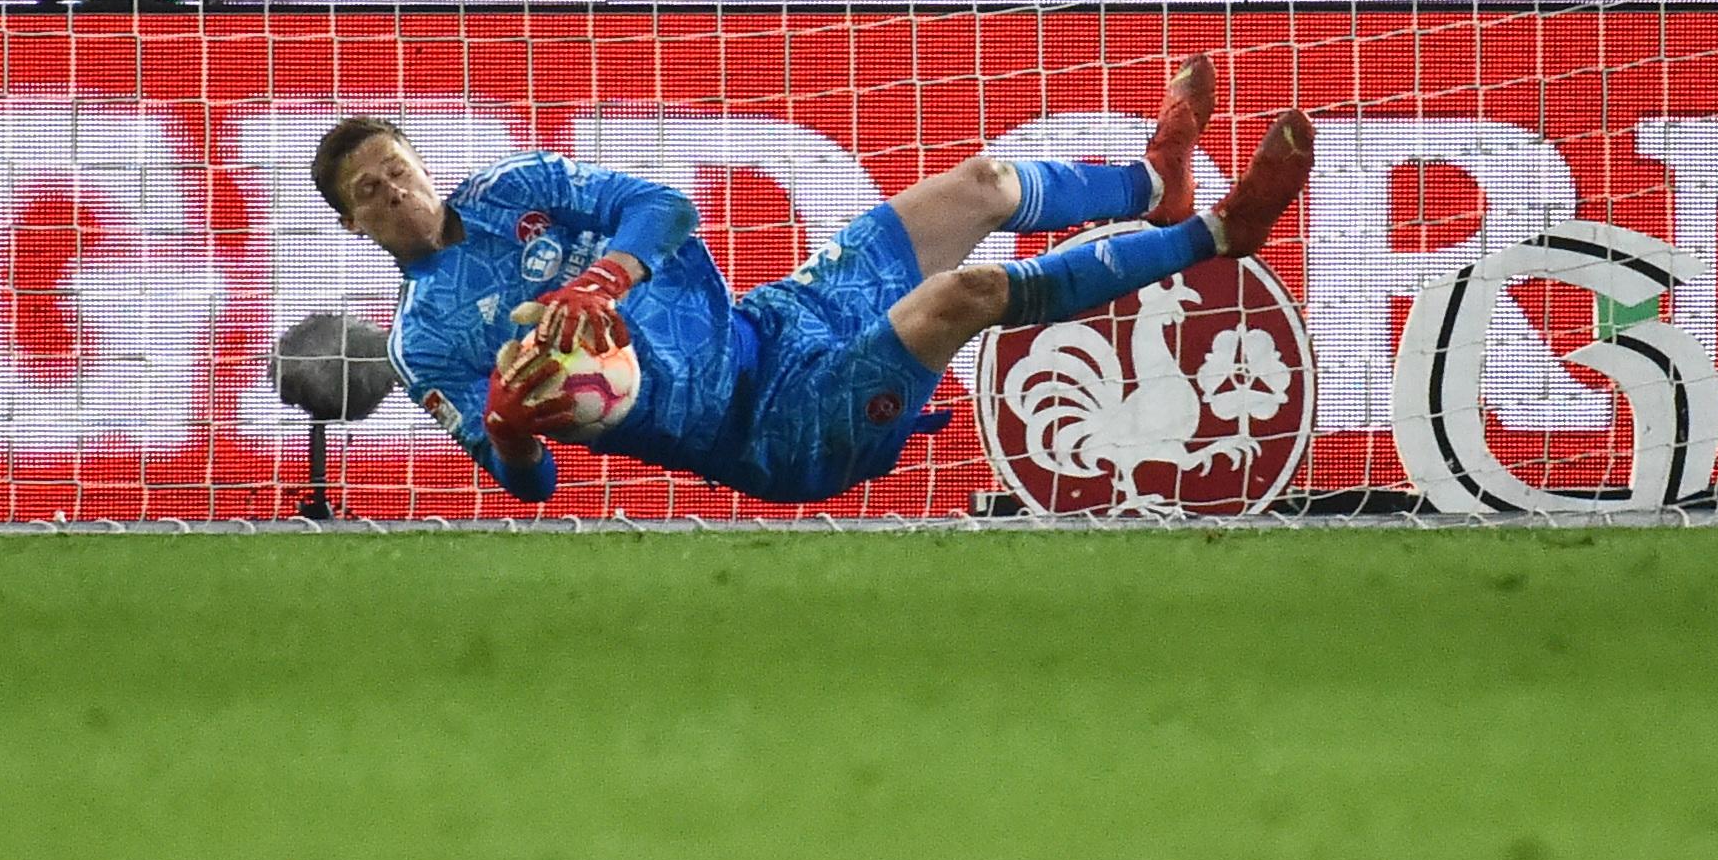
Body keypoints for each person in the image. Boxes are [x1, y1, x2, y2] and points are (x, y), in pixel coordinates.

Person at [318, 63, 1316, 511]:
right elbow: (530, 488)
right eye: (369, 192)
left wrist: (605, 277)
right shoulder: (424, 339)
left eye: (396, 168)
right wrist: (510, 432)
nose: (393, 190)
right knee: (961, 296)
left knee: (980, 184)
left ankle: (1151, 185)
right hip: (772, 430)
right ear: (353, 225)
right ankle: (1221, 232)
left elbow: (666, 207)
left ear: (422, 163)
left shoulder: (513, 188)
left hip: (776, 319)